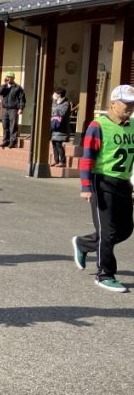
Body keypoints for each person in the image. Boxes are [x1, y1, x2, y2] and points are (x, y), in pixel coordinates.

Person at [72, 84, 134, 293]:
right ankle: (105, 274)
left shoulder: (132, 125)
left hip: (123, 183)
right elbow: (87, 158)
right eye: (126, 103)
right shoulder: (98, 126)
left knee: (125, 230)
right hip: (102, 183)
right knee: (107, 232)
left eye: (132, 104)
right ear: (113, 103)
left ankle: (84, 244)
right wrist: (85, 186)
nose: (130, 108)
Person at [0, 71, 26, 148]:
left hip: (13, 109)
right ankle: (5, 141)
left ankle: (13, 142)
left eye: (10, 77)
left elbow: (22, 99)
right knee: (5, 125)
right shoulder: (4, 86)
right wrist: (4, 84)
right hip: (5, 109)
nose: (8, 78)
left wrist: (21, 108)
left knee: (13, 126)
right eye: (7, 77)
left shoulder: (18, 87)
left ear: (13, 78)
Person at [50, 87, 71, 167]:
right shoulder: (54, 102)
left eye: (55, 93)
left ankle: (62, 162)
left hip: (61, 127)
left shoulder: (66, 103)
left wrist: (54, 111)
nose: (54, 94)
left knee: (58, 144)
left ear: (59, 94)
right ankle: (56, 160)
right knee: (54, 144)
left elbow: (62, 112)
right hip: (54, 125)